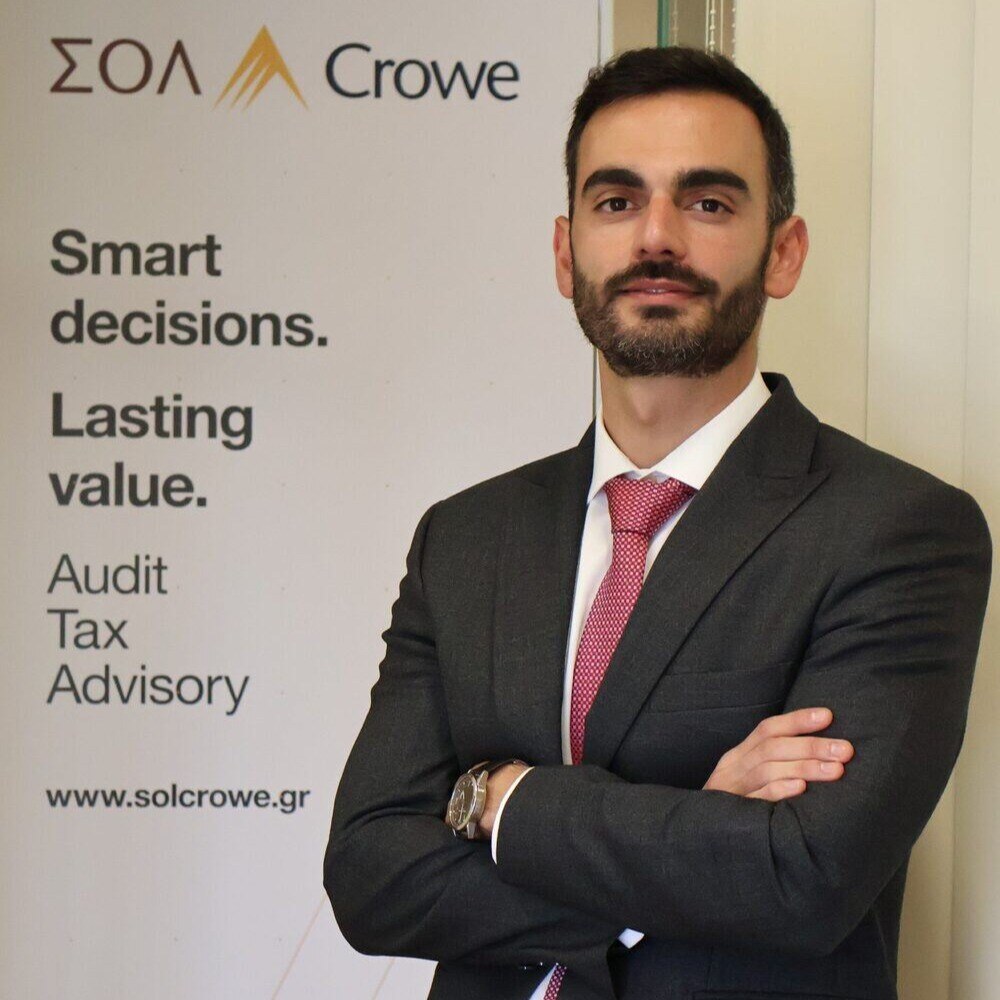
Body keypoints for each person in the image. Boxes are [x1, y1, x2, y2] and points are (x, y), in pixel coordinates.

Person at [324, 47, 992, 1000]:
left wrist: (504, 800)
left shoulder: (898, 531)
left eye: (708, 202)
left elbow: (801, 880)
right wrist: (696, 823)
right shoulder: (466, 539)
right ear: (566, 253)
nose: (657, 238)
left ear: (784, 252)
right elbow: (371, 876)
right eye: (617, 200)